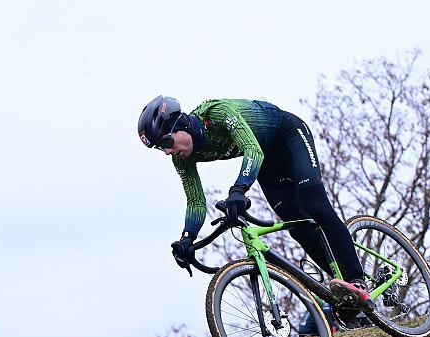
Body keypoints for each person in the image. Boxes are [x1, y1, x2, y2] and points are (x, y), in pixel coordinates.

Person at [137, 95, 374, 324]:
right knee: (298, 229)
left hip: (288, 135)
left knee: (316, 206)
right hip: (268, 162)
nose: (167, 151)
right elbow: (196, 201)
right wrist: (187, 238)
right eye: (161, 149)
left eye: (166, 142)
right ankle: (346, 290)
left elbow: (252, 150)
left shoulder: (217, 113)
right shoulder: (182, 159)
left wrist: (239, 189)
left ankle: (358, 280)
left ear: (181, 125)